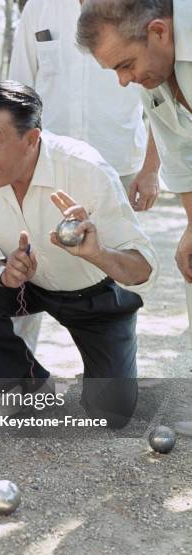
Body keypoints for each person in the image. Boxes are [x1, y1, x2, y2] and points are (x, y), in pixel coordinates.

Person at [0, 82, 159, 425]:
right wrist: (2, 272)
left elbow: (142, 268)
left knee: (110, 413)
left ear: (31, 140)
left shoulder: (84, 168)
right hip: (29, 287)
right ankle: (29, 386)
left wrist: (97, 252)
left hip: (96, 297)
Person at [9, 0, 161, 352]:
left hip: (119, 162)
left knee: (118, 268)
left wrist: (151, 168)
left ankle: (113, 363)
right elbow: (18, 89)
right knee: (25, 263)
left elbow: (158, 90)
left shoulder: (134, 6)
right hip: (46, 164)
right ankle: (20, 377)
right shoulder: (38, 9)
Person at [76, 0, 192, 317]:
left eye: (125, 65)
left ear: (159, 32)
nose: (124, 80)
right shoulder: (152, 73)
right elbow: (182, 153)